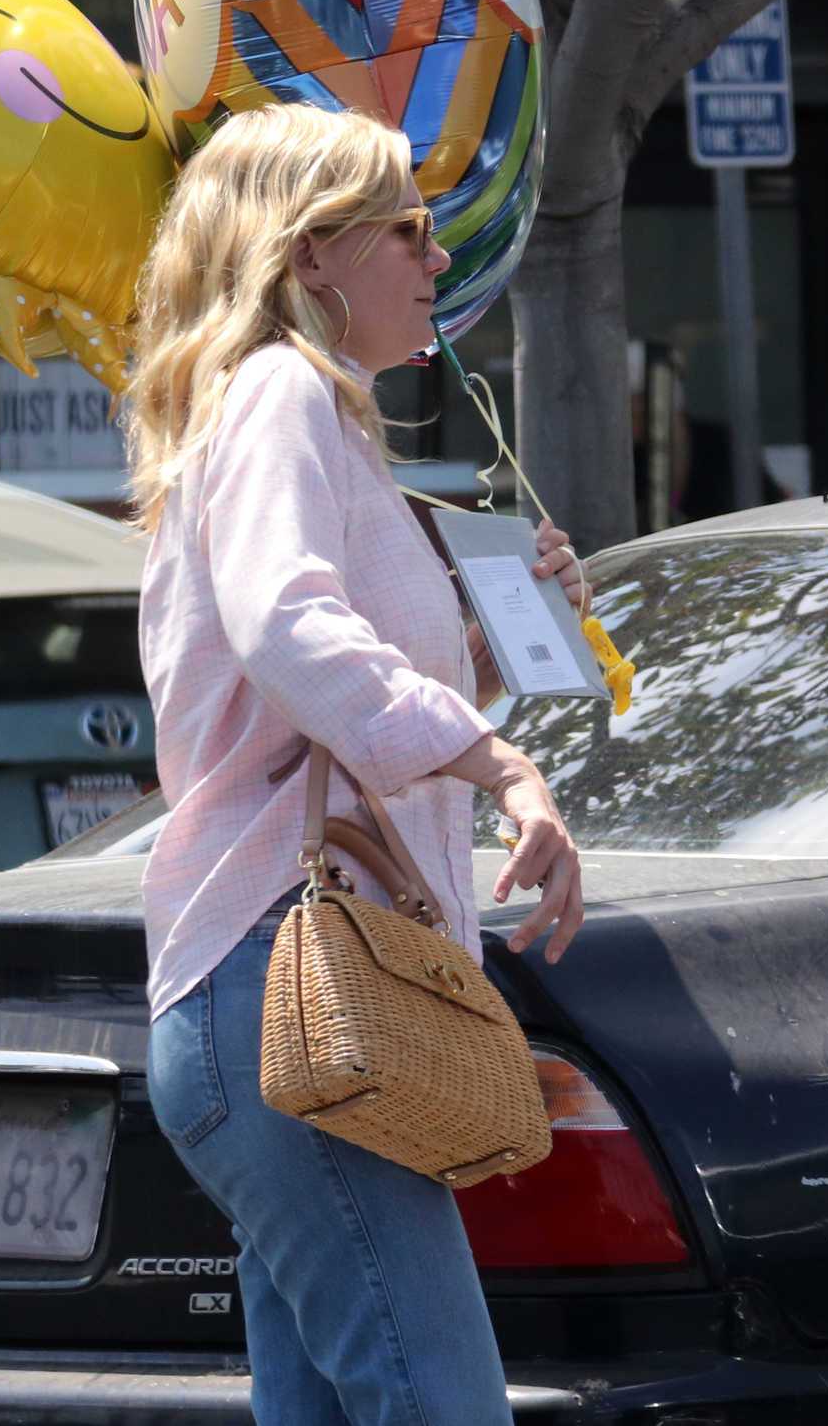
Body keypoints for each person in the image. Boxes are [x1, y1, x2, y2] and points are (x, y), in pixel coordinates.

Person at [126, 102, 586, 1426]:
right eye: (410, 229)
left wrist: (494, 654)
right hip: (297, 991)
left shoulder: (302, 418)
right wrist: (496, 760)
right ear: (311, 252)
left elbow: (307, 689)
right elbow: (286, 628)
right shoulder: (279, 392)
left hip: (274, 994)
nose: (436, 259)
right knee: (440, 1405)